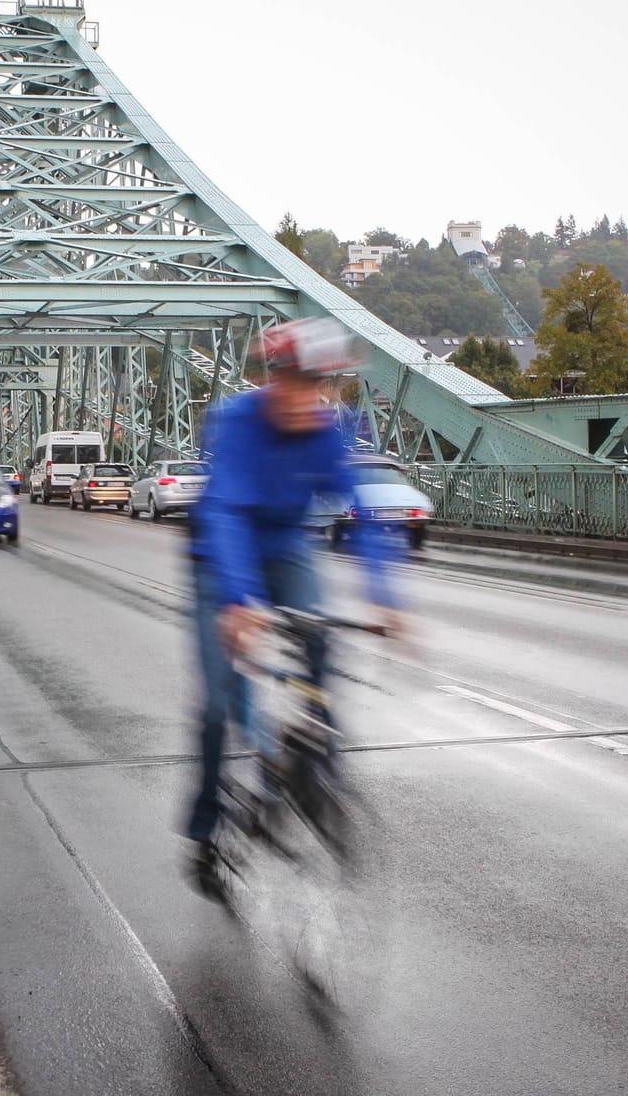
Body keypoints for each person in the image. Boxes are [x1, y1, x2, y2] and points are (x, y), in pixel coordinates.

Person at [184, 318, 395, 892]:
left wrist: (385, 598)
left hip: (287, 550)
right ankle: (206, 826)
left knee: (320, 644)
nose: (315, 399)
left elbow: (364, 514)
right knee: (219, 702)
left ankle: (308, 764)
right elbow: (224, 511)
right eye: (302, 383)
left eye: (324, 385)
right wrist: (238, 602)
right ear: (271, 378)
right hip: (222, 559)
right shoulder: (235, 422)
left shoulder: (328, 430)